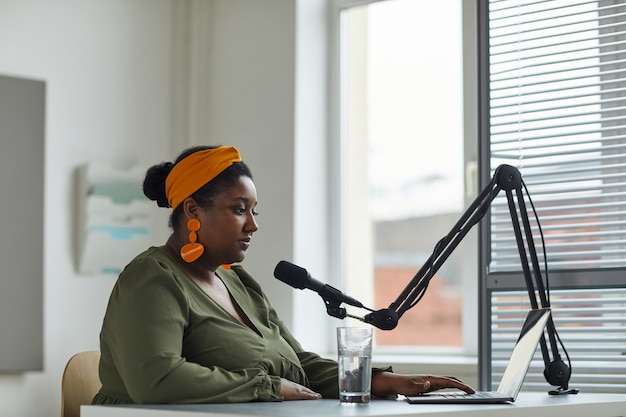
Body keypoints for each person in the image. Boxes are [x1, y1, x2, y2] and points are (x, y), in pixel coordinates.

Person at [92, 145, 475, 404]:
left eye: (255, 211)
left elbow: (300, 364)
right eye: (240, 209)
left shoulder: (237, 282)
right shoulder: (152, 279)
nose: (253, 226)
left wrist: (381, 381)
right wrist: (267, 387)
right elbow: (156, 381)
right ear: (193, 211)